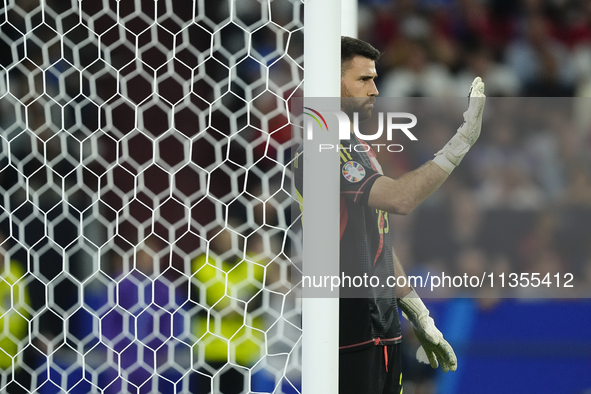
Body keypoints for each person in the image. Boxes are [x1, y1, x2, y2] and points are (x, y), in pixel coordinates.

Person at [293, 36, 486, 394]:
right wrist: (460, 143)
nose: (375, 90)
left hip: (382, 329)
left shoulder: (357, 148)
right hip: (351, 330)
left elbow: (377, 237)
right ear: (330, 83)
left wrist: (418, 314)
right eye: (363, 79)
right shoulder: (323, 151)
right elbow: (401, 199)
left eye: (375, 79)